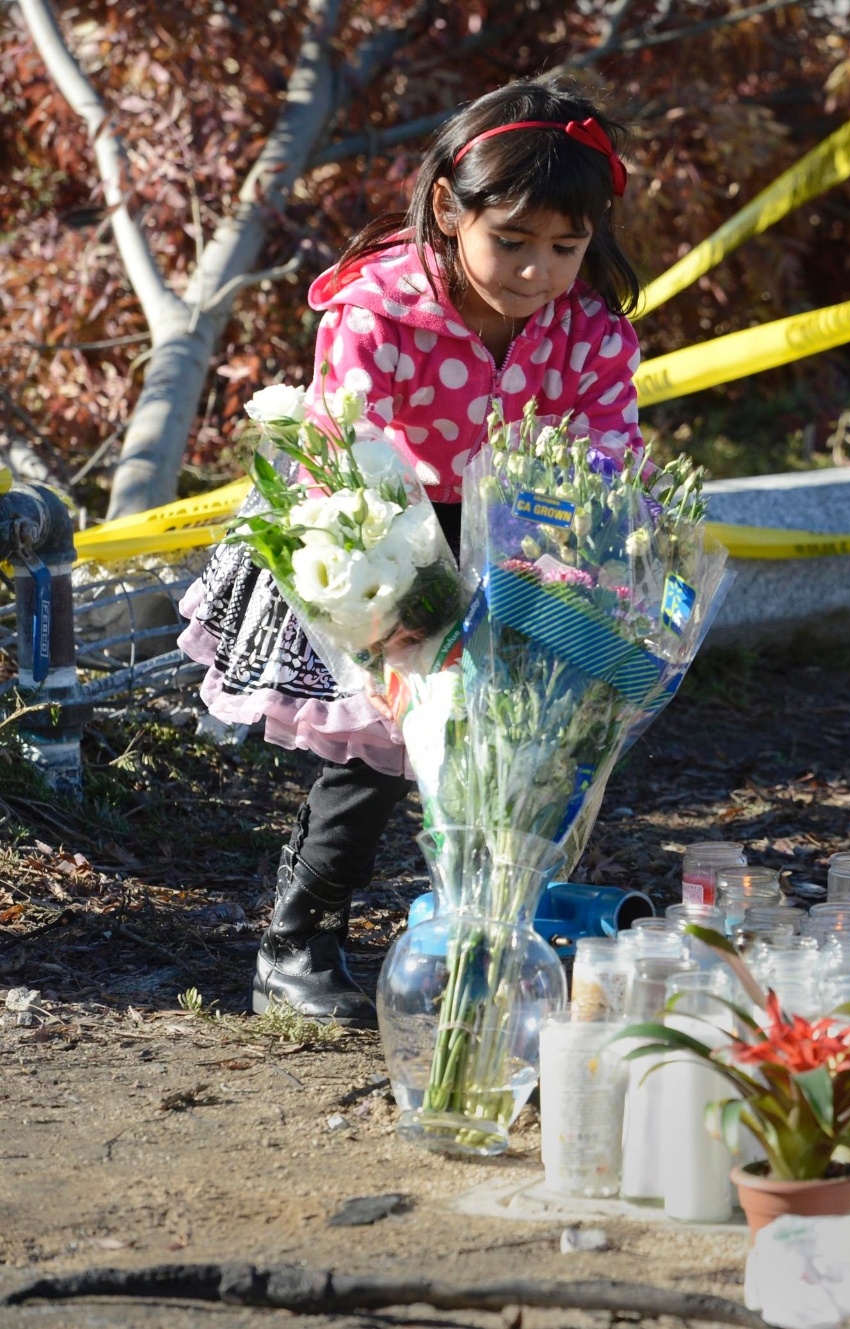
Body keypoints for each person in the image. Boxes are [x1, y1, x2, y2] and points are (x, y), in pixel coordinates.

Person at [178, 79, 645, 1026]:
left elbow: (606, 458)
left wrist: (583, 561)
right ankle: (297, 942)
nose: (537, 272)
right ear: (448, 207)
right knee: (381, 753)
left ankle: (491, 938)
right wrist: (391, 594)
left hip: (520, 543)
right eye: (511, 240)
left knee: (521, 748)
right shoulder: (380, 312)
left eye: (566, 247)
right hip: (377, 537)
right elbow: (342, 452)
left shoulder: (590, 332)